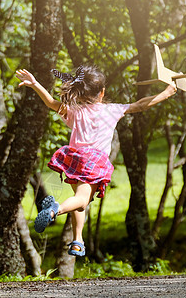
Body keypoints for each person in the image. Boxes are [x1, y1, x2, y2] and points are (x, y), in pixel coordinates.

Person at [16, 65, 176, 256]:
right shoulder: (111, 110)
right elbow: (141, 105)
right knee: (82, 200)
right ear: (102, 93)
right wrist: (167, 92)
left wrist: (34, 84)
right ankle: (54, 210)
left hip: (74, 159)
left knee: (80, 201)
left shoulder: (75, 111)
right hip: (94, 162)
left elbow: (51, 102)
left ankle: (78, 241)